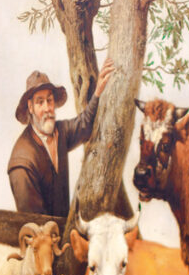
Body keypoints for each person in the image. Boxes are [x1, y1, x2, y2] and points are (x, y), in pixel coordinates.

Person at [7, 59, 115, 217]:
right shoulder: (22, 162)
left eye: (49, 100)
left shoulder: (60, 132)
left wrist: (98, 91)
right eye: (40, 102)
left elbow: (85, 124)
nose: (47, 108)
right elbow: (33, 221)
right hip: (42, 238)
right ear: (30, 107)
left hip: (63, 232)